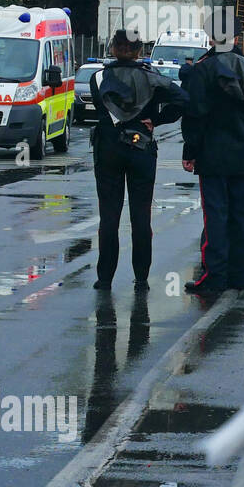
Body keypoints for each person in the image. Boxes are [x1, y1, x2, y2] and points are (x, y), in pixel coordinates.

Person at [90, 25, 187, 291]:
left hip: (108, 148)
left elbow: (101, 107)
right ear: (139, 51)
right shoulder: (152, 77)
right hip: (142, 148)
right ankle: (141, 277)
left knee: (109, 216)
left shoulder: (98, 78)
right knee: (141, 215)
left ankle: (105, 278)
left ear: (113, 48)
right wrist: (155, 119)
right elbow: (182, 100)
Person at [180, 44, 244, 295]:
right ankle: (239, 277)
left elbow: (194, 114)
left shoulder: (203, 70)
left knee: (215, 216)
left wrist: (190, 151)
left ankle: (214, 277)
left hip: (212, 154)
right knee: (243, 217)